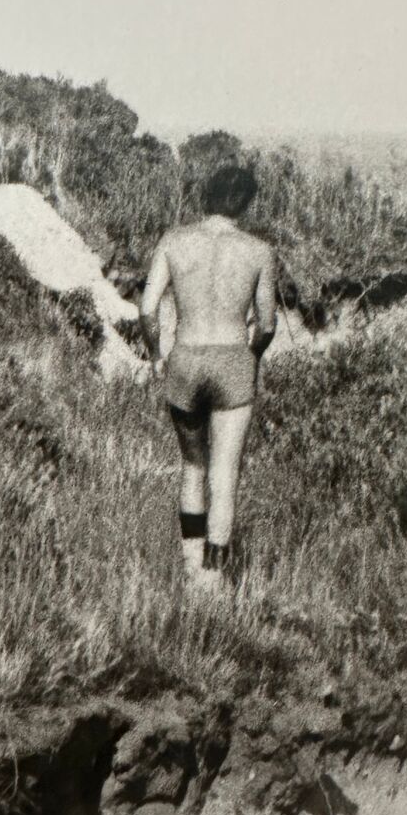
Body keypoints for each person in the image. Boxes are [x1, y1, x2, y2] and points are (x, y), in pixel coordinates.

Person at [139, 159, 277, 593]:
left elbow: (146, 310)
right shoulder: (258, 251)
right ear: (246, 202)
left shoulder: (174, 241)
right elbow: (268, 324)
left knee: (193, 466)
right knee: (225, 474)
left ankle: (190, 569)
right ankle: (214, 585)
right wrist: (249, 358)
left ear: (207, 195)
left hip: (186, 359)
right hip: (233, 361)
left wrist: (155, 355)